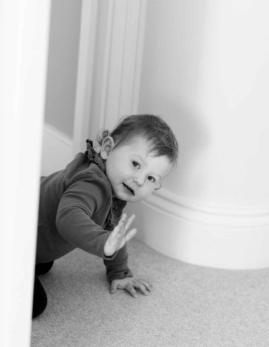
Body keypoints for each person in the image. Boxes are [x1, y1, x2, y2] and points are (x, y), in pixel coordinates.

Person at [33, 114, 178, 318]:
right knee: (35, 304)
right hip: (8, 235)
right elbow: (68, 217)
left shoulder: (111, 190)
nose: (139, 180)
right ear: (108, 148)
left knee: (45, 264)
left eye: (151, 178)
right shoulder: (90, 183)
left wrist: (119, 272)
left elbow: (113, 231)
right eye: (136, 164)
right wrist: (103, 242)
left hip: (34, 238)